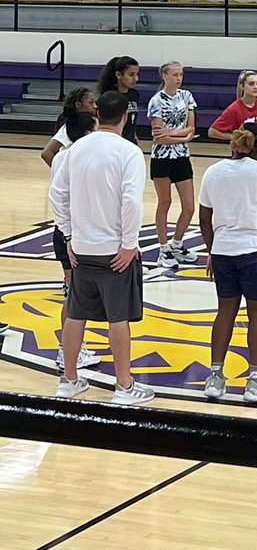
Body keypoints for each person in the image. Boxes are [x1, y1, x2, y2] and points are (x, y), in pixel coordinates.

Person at [49, 89, 154, 406]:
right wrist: (129, 244)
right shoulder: (129, 152)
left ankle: (68, 381)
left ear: (98, 116)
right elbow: (131, 202)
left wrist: (68, 236)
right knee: (117, 318)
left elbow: (58, 195)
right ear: (125, 117)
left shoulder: (74, 149)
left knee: (76, 314)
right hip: (114, 250)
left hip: (80, 248)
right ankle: (123, 387)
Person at [199, 124, 257, 404]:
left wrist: (212, 250)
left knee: (224, 312)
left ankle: (215, 377)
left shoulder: (213, 171)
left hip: (224, 252)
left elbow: (204, 217)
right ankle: (255, 381)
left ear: (233, 145)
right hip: (256, 252)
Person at [42, 107, 102, 373]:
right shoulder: (73, 158)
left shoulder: (65, 156)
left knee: (74, 292)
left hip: (67, 231)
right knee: (74, 294)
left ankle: (70, 348)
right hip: (71, 232)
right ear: (87, 133)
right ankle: (67, 351)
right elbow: (60, 200)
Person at [148, 61, 199, 269]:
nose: (179, 78)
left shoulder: (186, 96)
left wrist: (171, 133)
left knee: (189, 206)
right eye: (175, 74)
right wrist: (182, 138)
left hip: (181, 157)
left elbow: (191, 127)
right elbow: (158, 138)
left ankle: (177, 244)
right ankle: (163, 249)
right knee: (165, 202)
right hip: (161, 158)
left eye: (181, 74)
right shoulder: (156, 101)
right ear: (164, 76)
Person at [208, 70, 257, 145]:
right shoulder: (234, 109)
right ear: (242, 86)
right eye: (251, 84)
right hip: (241, 153)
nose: (256, 87)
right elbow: (212, 132)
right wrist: (234, 137)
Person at [97, 56, 140, 144]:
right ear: (118, 75)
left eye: (137, 74)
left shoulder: (134, 94)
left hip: (131, 141)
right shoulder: (109, 97)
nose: (136, 79)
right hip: (114, 142)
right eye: (131, 75)